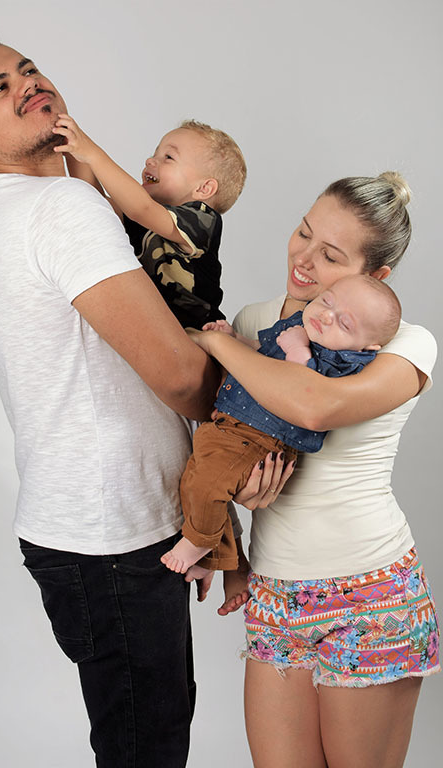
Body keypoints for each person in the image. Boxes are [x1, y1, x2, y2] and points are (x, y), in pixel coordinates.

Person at [0, 22, 242, 768]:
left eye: (28, 69)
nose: (28, 84)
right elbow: (179, 376)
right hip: (113, 540)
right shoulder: (60, 210)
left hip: (101, 531)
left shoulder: (39, 203)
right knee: (147, 745)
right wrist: (253, 430)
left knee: (141, 737)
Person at [209, 173, 439, 767]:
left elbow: (316, 405)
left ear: (376, 276)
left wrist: (216, 344)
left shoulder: (407, 346)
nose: (304, 260)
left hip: (371, 593)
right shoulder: (254, 320)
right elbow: (214, 442)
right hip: (275, 591)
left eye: (332, 256)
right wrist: (232, 523)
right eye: (304, 233)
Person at [162, 274, 401, 575]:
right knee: (194, 480)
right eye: (327, 301)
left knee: (208, 485)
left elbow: (304, 394)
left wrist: (298, 350)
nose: (326, 316)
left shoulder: (339, 360)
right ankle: (212, 556)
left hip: (260, 439)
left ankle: (197, 543)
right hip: (230, 425)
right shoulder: (301, 326)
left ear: (367, 346)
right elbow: (261, 353)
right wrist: (234, 339)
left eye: (344, 323)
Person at [52, 113, 247, 328]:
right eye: (155, 153)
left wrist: (91, 152)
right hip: (155, 329)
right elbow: (94, 203)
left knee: (215, 342)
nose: (150, 160)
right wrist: (73, 149)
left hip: (201, 330)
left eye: (168, 157)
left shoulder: (203, 220)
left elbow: (141, 208)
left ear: (204, 189)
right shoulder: (147, 219)